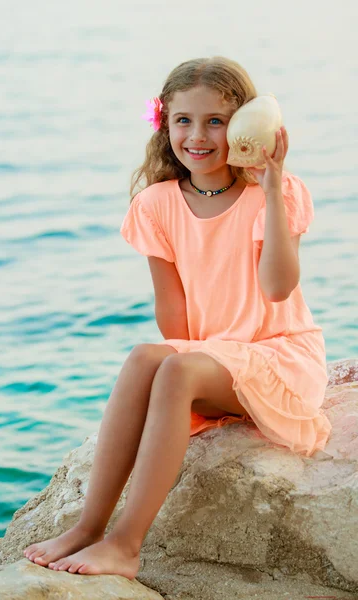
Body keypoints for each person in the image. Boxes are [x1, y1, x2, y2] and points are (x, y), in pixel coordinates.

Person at [24, 56, 331, 578]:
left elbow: (279, 288)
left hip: (280, 356)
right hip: (216, 360)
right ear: (164, 126)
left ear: (241, 127)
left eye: (216, 121)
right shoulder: (156, 204)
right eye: (183, 120)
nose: (198, 136)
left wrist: (273, 186)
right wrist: (187, 376)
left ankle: (125, 543)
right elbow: (178, 328)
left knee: (177, 368)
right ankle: (87, 526)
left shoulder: (272, 195)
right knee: (148, 356)